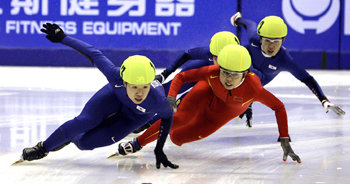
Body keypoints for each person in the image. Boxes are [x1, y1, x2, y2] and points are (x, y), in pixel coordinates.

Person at [13, 23, 178, 169]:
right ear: (125, 82)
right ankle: (42, 148)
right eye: (134, 87)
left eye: (144, 87)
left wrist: (154, 146)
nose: (140, 93)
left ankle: (71, 138)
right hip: (114, 97)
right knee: (85, 121)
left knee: (85, 144)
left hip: (132, 117)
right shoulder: (115, 77)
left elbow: (167, 120)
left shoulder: (159, 101)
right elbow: (94, 54)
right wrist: (63, 38)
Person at [118, 44, 302, 163]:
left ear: (245, 74)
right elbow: (181, 77)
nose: (228, 79)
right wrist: (172, 97)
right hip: (208, 90)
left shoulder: (253, 88)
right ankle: (137, 143)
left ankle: (161, 129)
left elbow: (278, 107)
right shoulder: (212, 73)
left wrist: (284, 138)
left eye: (235, 75)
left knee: (177, 138)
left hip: (223, 111)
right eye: (225, 72)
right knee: (178, 118)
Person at [230, 12, 345, 129]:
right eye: (267, 41)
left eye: (276, 42)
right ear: (260, 39)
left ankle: (248, 101)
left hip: (258, 79)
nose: (271, 46)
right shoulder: (254, 40)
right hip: (242, 65)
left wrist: (324, 100)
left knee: (255, 81)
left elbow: (306, 78)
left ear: (283, 40)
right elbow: (250, 24)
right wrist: (237, 19)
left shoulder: (284, 60)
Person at [132, 31, 241, 133]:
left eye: (222, 58)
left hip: (214, 82)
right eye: (215, 57)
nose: (217, 60)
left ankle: (149, 123)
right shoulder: (207, 54)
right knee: (167, 91)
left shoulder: (242, 63)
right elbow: (187, 54)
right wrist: (165, 73)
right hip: (203, 70)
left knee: (184, 103)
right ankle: (131, 110)